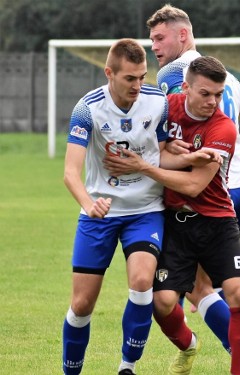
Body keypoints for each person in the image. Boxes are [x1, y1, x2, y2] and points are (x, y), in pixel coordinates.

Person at [105, 56, 240, 375]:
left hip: (217, 221)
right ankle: (189, 344)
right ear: (185, 88)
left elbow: (192, 185)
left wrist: (145, 165)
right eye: (205, 93)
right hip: (175, 224)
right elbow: (133, 133)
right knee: (161, 304)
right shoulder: (163, 108)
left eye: (218, 94)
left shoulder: (223, 128)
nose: (213, 102)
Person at [146, 5, 240, 375]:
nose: (154, 46)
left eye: (160, 38)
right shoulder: (225, 75)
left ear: (182, 35)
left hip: (208, 189)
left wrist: (157, 160)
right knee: (214, 286)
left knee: (199, 290)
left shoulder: (177, 73)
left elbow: (173, 131)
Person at [61, 38, 167, 375]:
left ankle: (127, 367)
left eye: (142, 77)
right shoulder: (87, 108)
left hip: (146, 209)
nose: (138, 85)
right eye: (130, 79)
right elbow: (70, 173)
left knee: (140, 282)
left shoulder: (158, 102)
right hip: (99, 216)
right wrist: (89, 204)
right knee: (81, 305)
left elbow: (166, 152)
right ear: (109, 73)